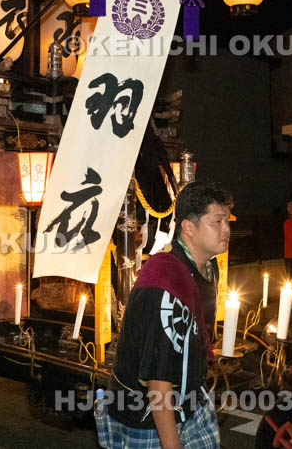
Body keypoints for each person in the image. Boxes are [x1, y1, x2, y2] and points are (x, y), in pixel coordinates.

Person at [97, 181, 230, 449]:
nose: (227, 230)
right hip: (148, 415)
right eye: (217, 221)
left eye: (227, 221)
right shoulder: (165, 284)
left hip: (189, 402)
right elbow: (158, 381)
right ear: (188, 227)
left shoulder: (206, 267)